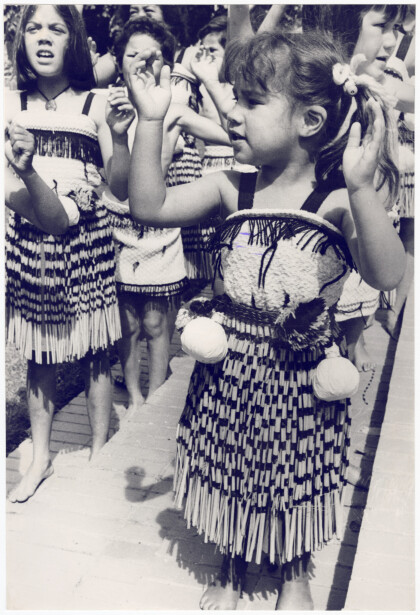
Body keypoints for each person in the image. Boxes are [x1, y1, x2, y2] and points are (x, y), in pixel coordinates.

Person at [126, 30, 405, 610]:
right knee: (228, 465)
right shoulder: (235, 186)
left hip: (301, 376)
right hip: (229, 372)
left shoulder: (336, 199)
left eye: (251, 102)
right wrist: (150, 120)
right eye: (234, 97)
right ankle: (231, 563)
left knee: (295, 473)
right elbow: (149, 206)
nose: (232, 113)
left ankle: (294, 571)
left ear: (309, 120)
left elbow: (387, 274)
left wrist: (361, 187)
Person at [4, 5, 126, 503]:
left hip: (88, 241)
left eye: (56, 28)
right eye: (33, 28)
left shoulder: (95, 103)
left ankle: (99, 449)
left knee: (96, 350)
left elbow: (119, 186)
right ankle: (40, 458)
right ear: (21, 41)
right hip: (31, 243)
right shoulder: (9, 101)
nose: (43, 38)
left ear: (74, 39)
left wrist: (120, 135)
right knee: (39, 354)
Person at [103, 16, 230, 411]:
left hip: (160, 225)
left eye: (153, 56)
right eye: (132, 55)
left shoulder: (174, 110)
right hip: (118, 225)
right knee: (127, 324)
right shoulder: (106, 107)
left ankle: (154, 398)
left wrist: (213, 83)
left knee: (157, 323)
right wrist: (118, 133)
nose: (142, 63)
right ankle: (134, 396)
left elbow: (233, 134)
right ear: (119, 61)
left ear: (168, 65)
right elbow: (117, 184)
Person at [303, 4, 409, 370]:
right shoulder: (313, 86)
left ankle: (354, 338)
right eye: (382, 26)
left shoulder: (377, 87)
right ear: (344, 22)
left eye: (397, 29)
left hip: (357, 233)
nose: (392, 41)